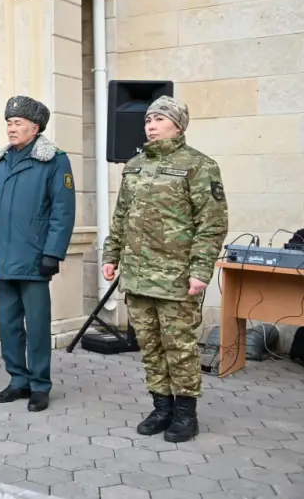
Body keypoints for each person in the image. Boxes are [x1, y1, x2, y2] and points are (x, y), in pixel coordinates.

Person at [102, 96, 227, 442]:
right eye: (148, 121)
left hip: (176, 278)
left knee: (180, 347)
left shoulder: (199, 165)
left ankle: (186, 415)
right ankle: (162, 408)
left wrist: (201, 270)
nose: (151, 126)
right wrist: (110, 256)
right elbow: (121, 217)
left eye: (159, 119)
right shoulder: (135, 165)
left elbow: (212, 224)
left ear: (179, 125)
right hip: (139, 277)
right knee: (151, 347)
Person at [0, 96, 75, 412]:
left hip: (35, 258)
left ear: (35, 127)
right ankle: (17, 380)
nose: (11, 128)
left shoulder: (54, 160)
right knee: (8, 324)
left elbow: (63, 212)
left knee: (37, 324)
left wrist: (53, 253)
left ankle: (40, 385)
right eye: (8, 122)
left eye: (18, 123)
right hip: (4, 257)